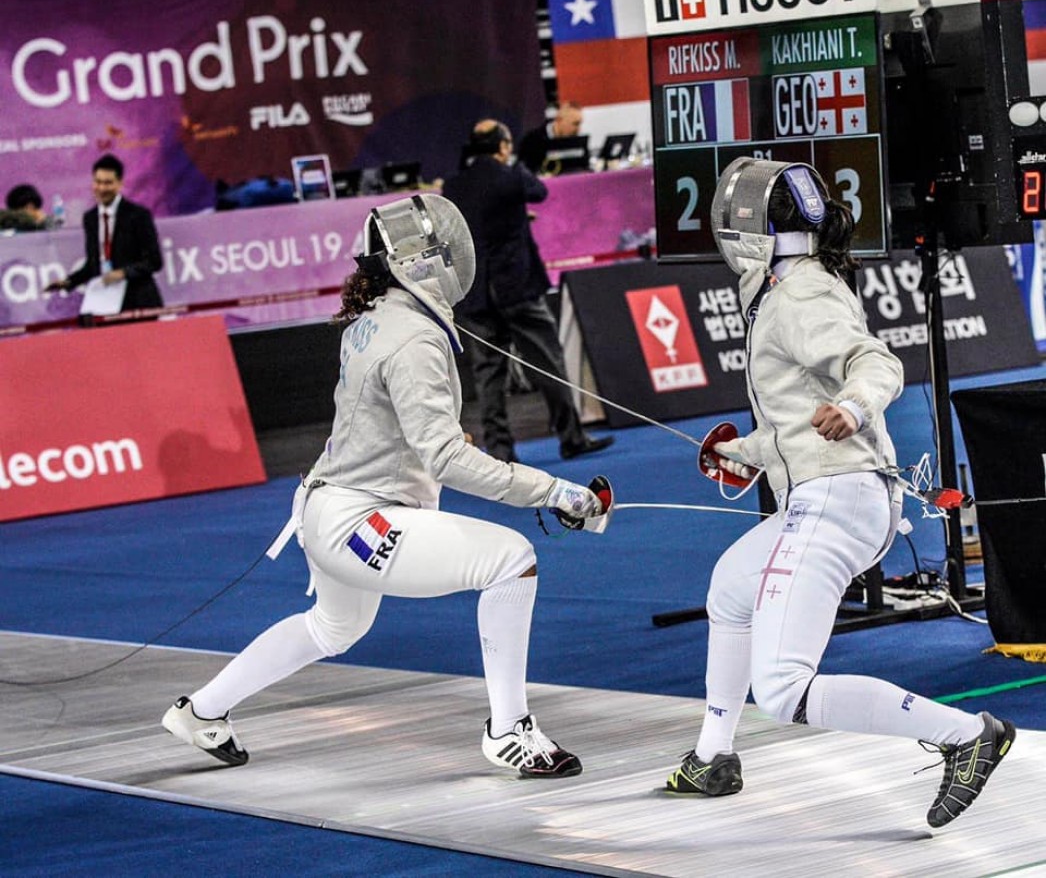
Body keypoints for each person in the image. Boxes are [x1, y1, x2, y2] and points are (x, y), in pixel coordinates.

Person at [161, 194, 605, 778]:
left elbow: (388, 425)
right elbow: (445, 459)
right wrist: (551, 491)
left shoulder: (375, 319)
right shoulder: (416, 337)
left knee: (334, 626)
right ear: (416, 263)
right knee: (511, 560)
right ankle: (508, 730)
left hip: (325, 504)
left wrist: (434, 444)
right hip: (360, 521)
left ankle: (202, 711)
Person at [665, 157, 1014, 828]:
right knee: (730, 589)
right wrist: (742, 453)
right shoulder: (783, 287)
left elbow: (874, 362)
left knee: (783, 689)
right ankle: (712, 756)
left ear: (755, 230)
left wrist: (854, 406)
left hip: (838, 497)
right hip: (827, 492)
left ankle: (968, 736)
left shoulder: (801, 295)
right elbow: (795, 423)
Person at [443, 119, 613, 463]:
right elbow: (539, 191)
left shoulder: (455, 185)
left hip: (477, 294)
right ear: (503, 147)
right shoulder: (511, 177)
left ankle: (500, 450)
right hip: (517, 288)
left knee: (488, 376)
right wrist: (516, 174)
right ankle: (571, 436)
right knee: (548, 363)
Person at [43, 154, 163, 312]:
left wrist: (122, 273)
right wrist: (68, 282)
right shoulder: (90, 218)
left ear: (120, 183)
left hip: (139, 301)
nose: (101, 188)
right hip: (107, 303)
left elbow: (154, 261)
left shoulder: (138, 215)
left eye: (108, 183)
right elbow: (93, 265)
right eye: (98, 182)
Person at [517, 102, 584, 174]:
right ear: (559, 120)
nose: (578, 129)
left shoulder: (577, 141)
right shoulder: (531, 141)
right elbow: (523, 172)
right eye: (575, 124)